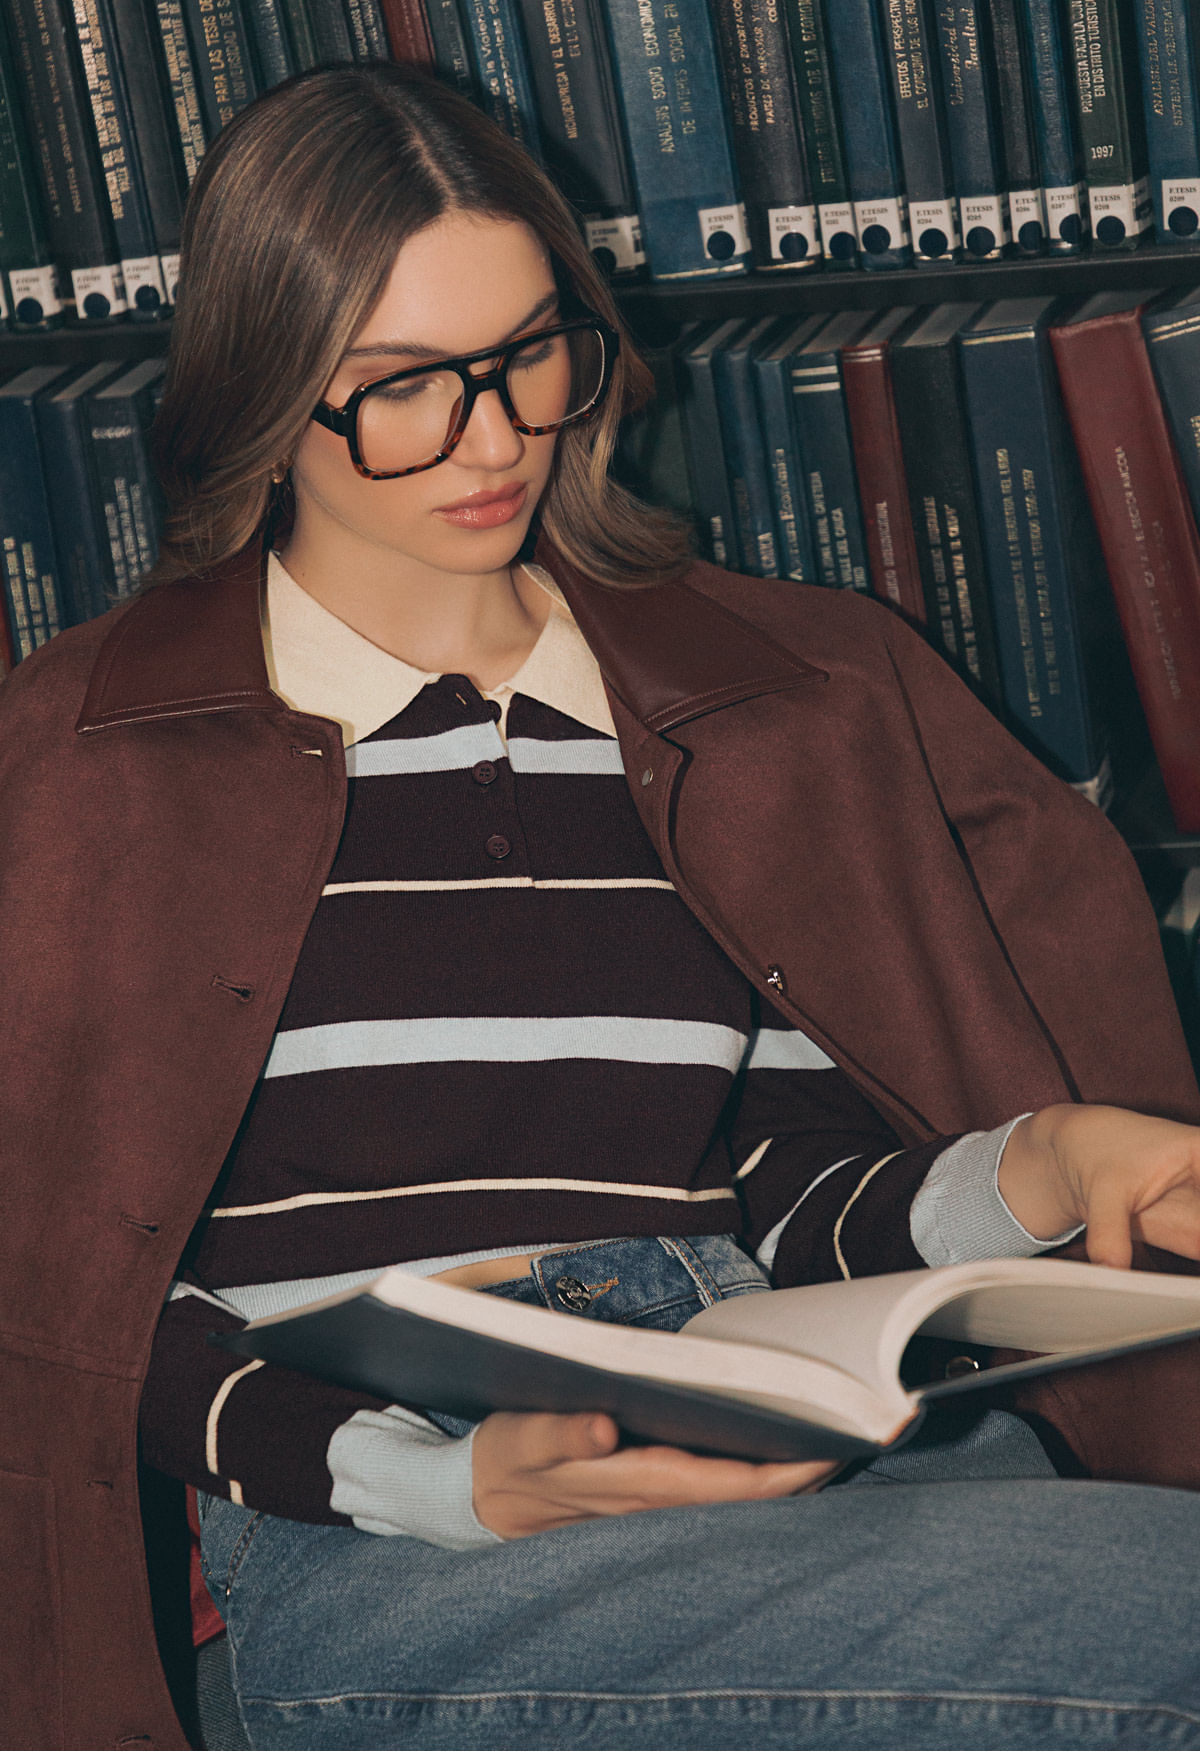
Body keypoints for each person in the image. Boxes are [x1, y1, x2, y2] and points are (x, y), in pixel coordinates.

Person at [5, 61, 1200, 1751]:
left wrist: (1042, 1167)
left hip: (803, 1421)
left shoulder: (764, 700)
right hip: (395, 1522)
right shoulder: (89, 758)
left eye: (530, 355)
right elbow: (63, 1295)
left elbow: (798, 1195)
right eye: (404, 389)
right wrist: (430, 1480)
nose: (497, 439)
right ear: (266, 395)